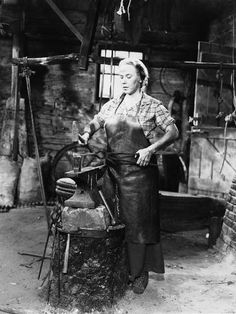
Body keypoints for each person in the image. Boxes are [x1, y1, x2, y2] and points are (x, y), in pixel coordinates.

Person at [80, 58, 179, 294]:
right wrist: (86, 131)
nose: (123, 81)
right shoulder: (113, 104)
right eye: (120, 76)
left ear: (141, 79)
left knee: (138, 225)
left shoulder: (153, 105)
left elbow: (174, 131)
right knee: (113, 221)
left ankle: (138, 272)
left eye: (128, 76)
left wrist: (150, 149)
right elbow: (98, 120)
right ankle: (118, 268)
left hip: (139, 173)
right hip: (113, 170)